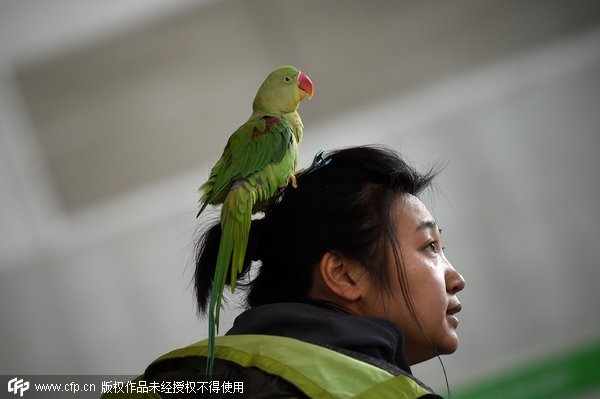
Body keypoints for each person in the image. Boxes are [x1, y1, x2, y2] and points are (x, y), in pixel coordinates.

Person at [105, 145, 465, 398]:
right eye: (430, 247)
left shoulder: (158, 386)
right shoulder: (378, 394)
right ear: (343, 275)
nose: (456, 278)